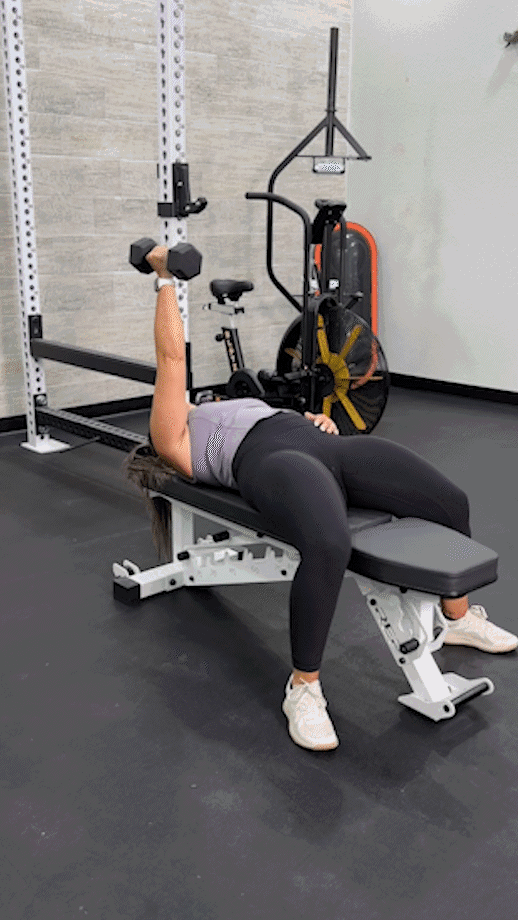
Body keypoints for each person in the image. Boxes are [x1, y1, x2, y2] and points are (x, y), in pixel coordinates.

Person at [124, 246, 517, 752]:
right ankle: (303, 689)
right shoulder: (173, 436)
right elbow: (172, 357)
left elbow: (283, 415)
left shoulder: (226, 404)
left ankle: (457, 619)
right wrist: (164, 281)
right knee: (329, 544)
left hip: (328, 448)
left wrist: (315, 420)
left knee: (449, 501)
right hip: (270, 464)